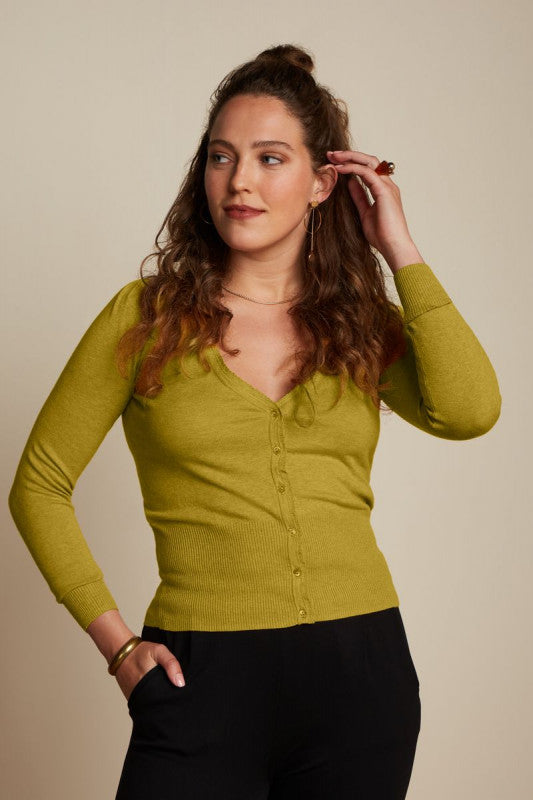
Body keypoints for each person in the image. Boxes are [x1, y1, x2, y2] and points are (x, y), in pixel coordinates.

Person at [8, 43, 502, 799]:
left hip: (360, 674)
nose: (239, 180)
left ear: (322, 183)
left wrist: (399, 249)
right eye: (221, 156)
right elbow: (38, 486)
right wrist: (119, 648)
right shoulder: (145, 319)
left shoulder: (359, 324)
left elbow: (469, 411)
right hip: (199, 675)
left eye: (271, 158)